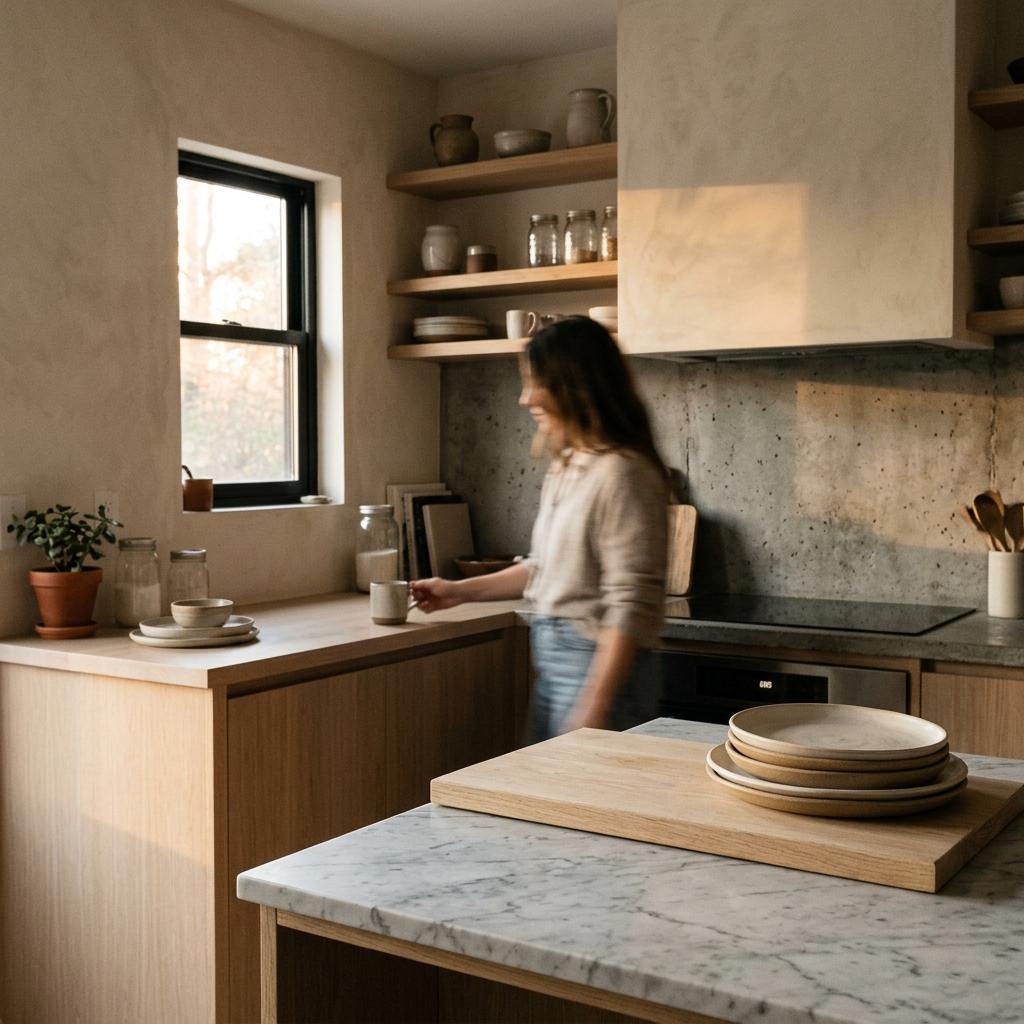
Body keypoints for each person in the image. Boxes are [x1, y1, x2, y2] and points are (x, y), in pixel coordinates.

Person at [411, 317, 669, 742]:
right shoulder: (569, 466)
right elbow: (543, 569)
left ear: (575, 386)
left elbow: (632, 603)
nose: (524, 397)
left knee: (579, 805)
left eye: (537, 382)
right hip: (556, 663)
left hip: (595, 668)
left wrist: (595, 704)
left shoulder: (623, 474)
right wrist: (455, 592)